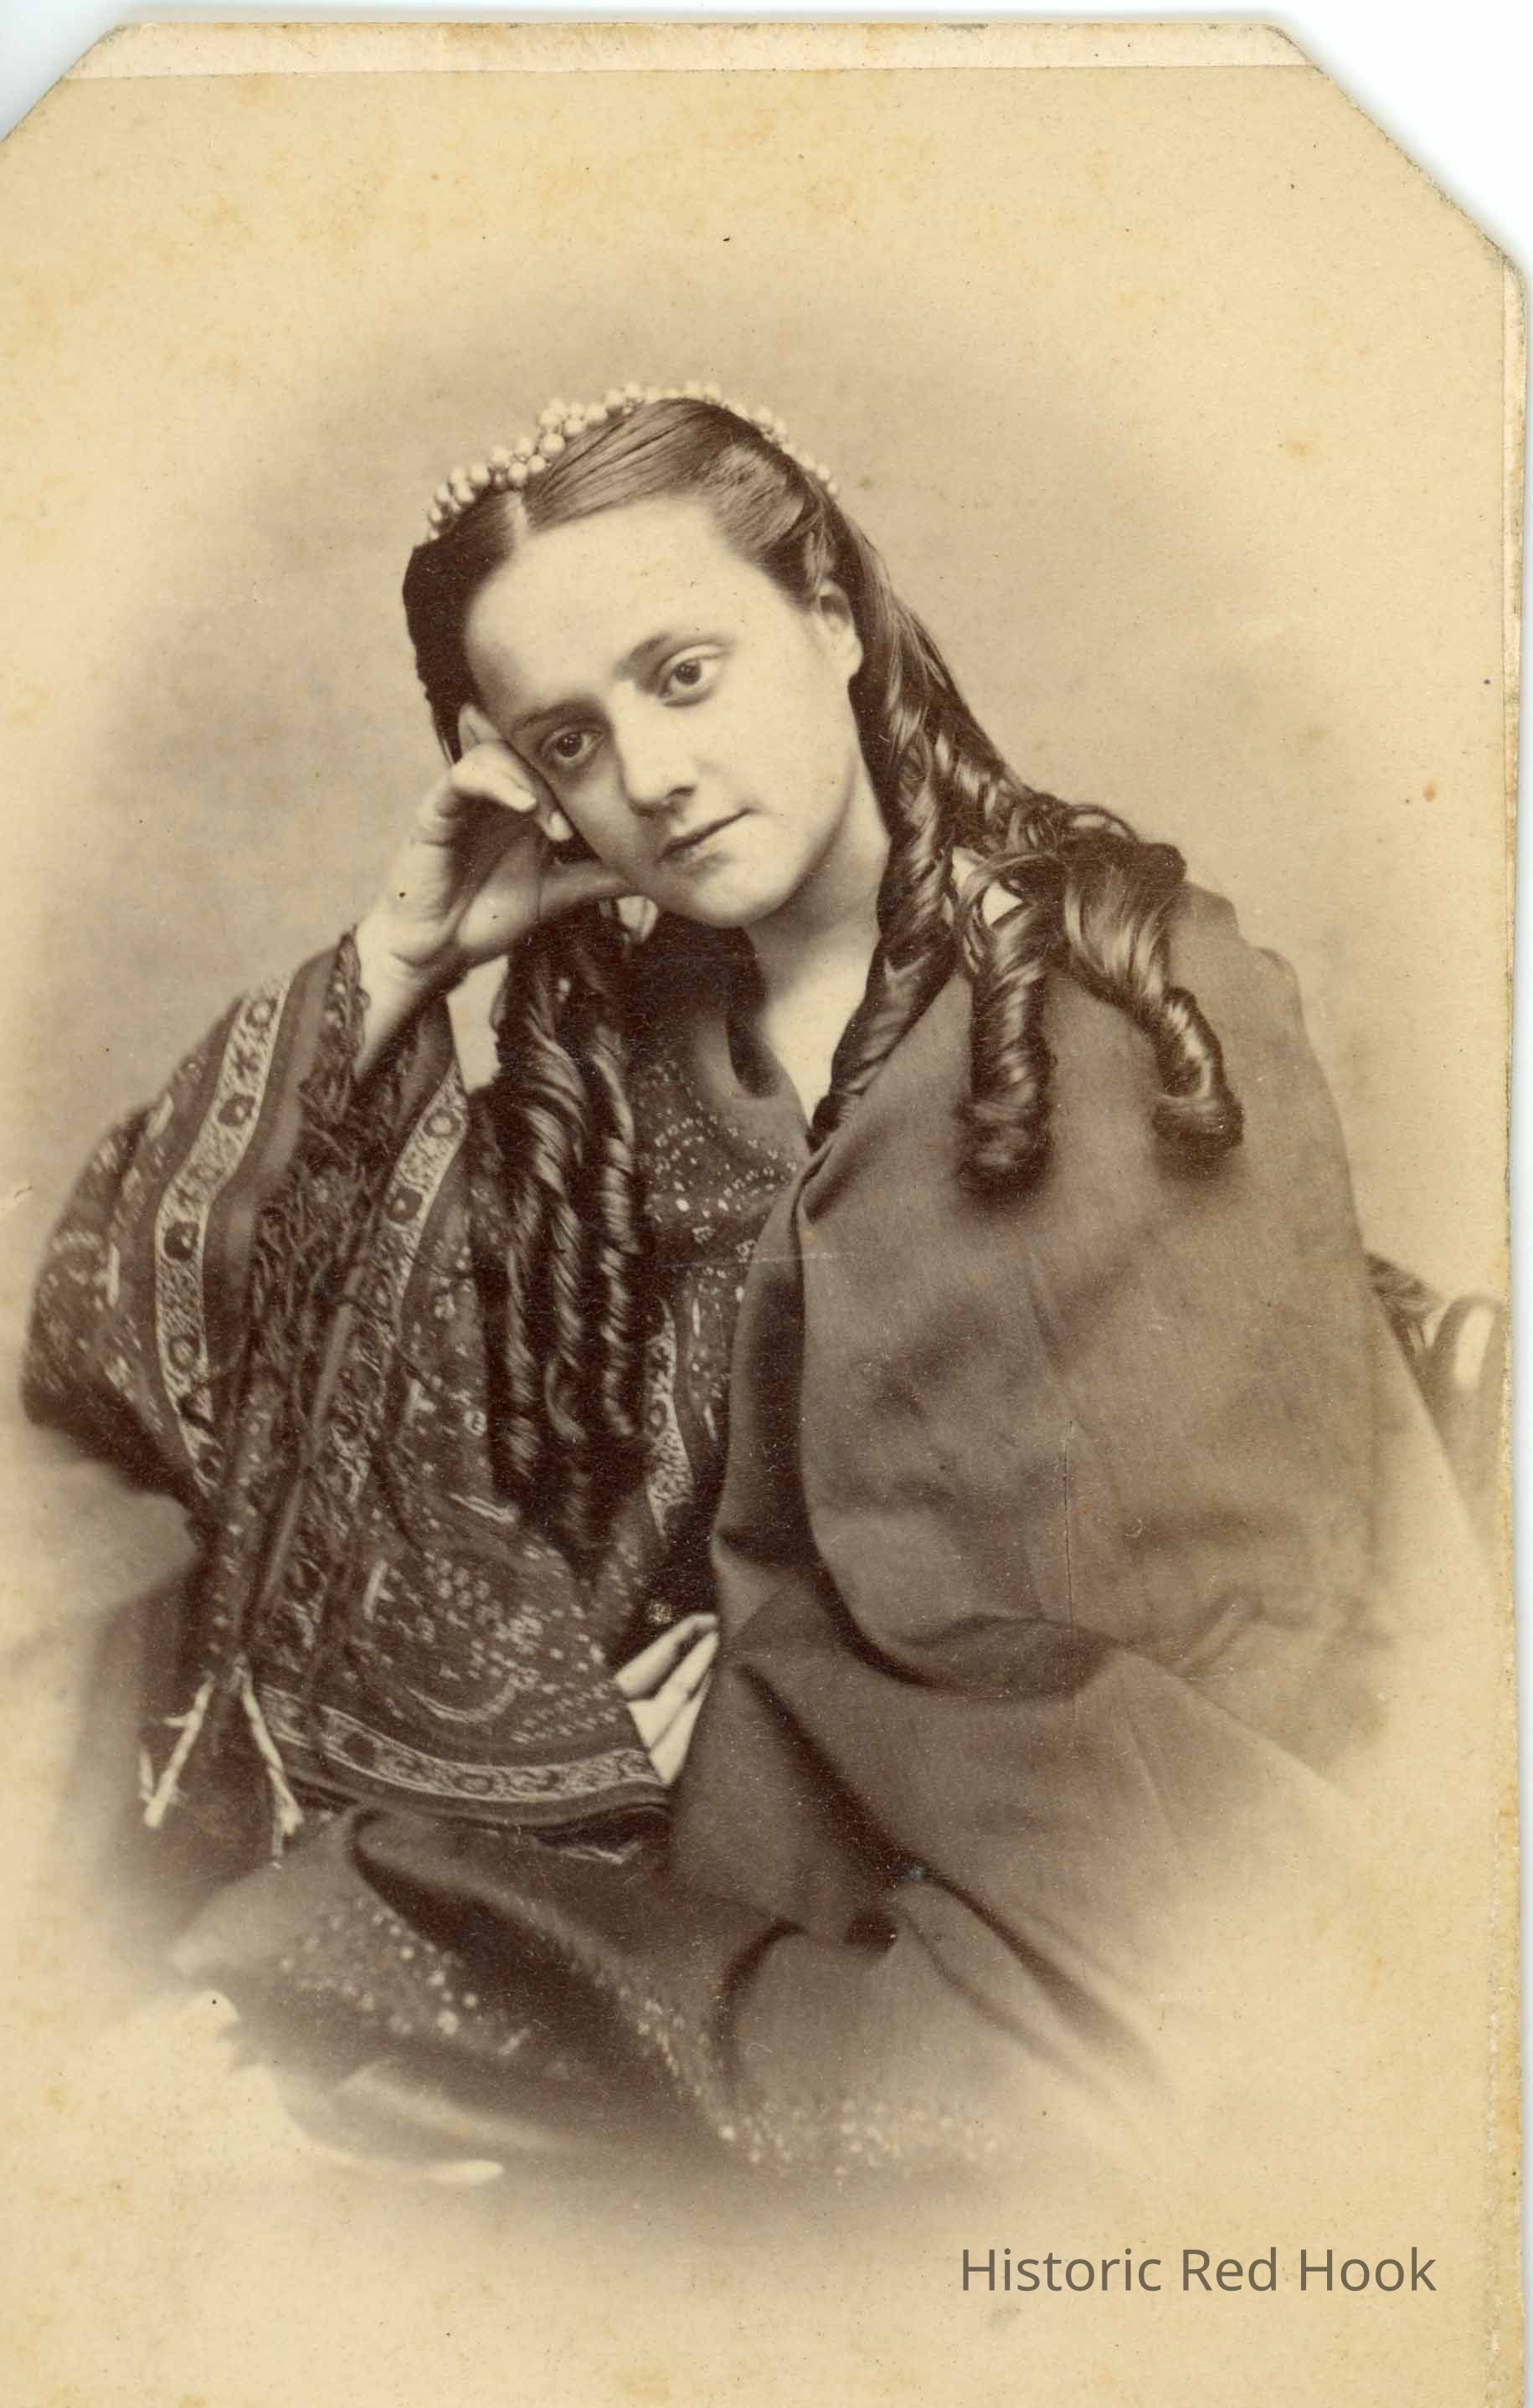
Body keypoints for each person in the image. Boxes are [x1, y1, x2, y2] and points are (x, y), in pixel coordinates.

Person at [21, 383, 1490, 2184]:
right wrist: (407, 953)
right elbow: (135, 1322)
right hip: (748, 1845)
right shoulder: (623, 1082)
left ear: (832, 617)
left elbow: (1187, 1595)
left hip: (1119, 1848)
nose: (648, 775)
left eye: (685, 673)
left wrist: (755, 1692)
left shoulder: (1115, 992)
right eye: (569, 740)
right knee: (311, 1930)